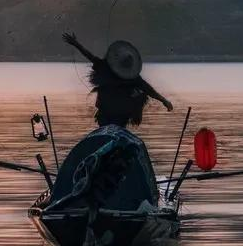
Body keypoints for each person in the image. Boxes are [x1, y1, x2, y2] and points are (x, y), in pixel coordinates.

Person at [47, 33, 173, 213]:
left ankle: (111, 171)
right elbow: (90, 56)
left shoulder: (132, 78)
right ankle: (103, 168)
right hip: (106, 114)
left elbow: (148, 90)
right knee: (107, 138)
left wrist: (164, 101)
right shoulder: (104, 68)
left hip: (120, 115)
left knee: (116, 140)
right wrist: (76, 44)